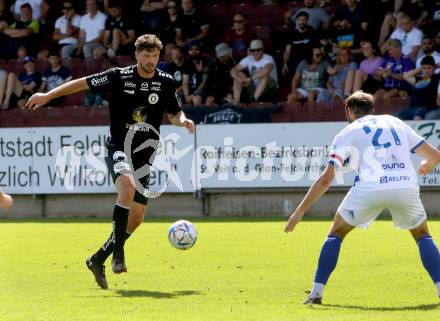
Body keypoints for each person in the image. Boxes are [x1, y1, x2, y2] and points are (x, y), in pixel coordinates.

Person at [26, 34, 195, 289]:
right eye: (146, 55)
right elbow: (82, 83)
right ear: (136, 55)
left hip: (145, 154)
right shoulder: (119, 76)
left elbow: (174, 113)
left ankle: (97, 259)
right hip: (120, 146)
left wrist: (183, 121)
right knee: (126, 188)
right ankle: (118, 256)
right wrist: (48, 95)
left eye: (154, 55)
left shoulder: (166, 83)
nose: (150, 60)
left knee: (137, 217)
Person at [284, 91, 440, 304]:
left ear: (349, 111)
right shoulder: (394, 122)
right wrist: (426, 165)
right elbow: (435, 156)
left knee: (336, 233)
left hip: (369, 188)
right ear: (372, 109)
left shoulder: (347, 132)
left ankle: (316, 294)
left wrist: (299, 211)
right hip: (405, 185)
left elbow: (326, 179)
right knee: (423, 235)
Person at [231, 39, 278, 104]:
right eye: (253, 50)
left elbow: (267, 70)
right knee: (239, 74)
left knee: (265, 76)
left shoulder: (268, 58)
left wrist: (250, 78)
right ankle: (236, 101)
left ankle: (254, 100)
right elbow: (233, 70)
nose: (255, 52)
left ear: (262, 49)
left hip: (269, 88)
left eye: (258, 50)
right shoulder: (248, 58)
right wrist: (238, 78)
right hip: (254, 86)